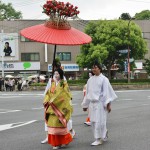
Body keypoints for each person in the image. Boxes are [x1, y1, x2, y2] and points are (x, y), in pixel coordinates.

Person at [81, 61, 117, 146]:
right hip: (92, 104)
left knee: (99, 121)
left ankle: (99, 138)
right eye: (92, 67)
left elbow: (107, 93)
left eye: (95, 67)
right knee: (93, 121)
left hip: (100, 103)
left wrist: (108, 105)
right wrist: (85, 105)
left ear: (100, 69)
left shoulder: (104, 79)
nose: (94, 69)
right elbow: (88, 94)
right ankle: (103, 133)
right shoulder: (90, 80)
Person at [41, 59, 76, 144]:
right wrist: (46, 100)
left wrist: (55, 100)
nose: (55, 74)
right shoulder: (51, 80)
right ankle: (49, 137)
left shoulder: (63, 82)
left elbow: (65, 93)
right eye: (55, 72)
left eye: (57, 72)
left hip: (59, 105)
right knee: (50, 123)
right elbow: (48, 92)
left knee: (62, 122)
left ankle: (68, 135)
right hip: (51, 105)